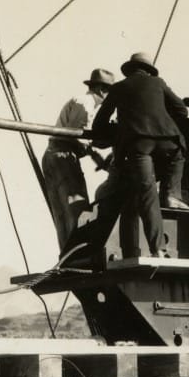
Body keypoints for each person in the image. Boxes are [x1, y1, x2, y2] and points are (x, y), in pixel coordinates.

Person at [62, 52, 187, 265]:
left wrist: (121, 129)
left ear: (129, 70)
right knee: (174, 164)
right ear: (148, 70)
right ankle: (172, 193)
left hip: (140, 145)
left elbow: (99, 125)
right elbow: (182, 110)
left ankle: (158, 250)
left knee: (147, 195)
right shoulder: (159, 83)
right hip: (171, 144)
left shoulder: (119, 88)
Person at [41, 67, 117, 247]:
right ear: (102, 90)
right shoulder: (87, 104)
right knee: (77, 208)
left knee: (61, 214)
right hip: (64, 155)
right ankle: (75, 254)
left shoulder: (80, 101)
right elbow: (77, 136)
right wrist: (99, 158)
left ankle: (66, 254)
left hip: (53, 155)